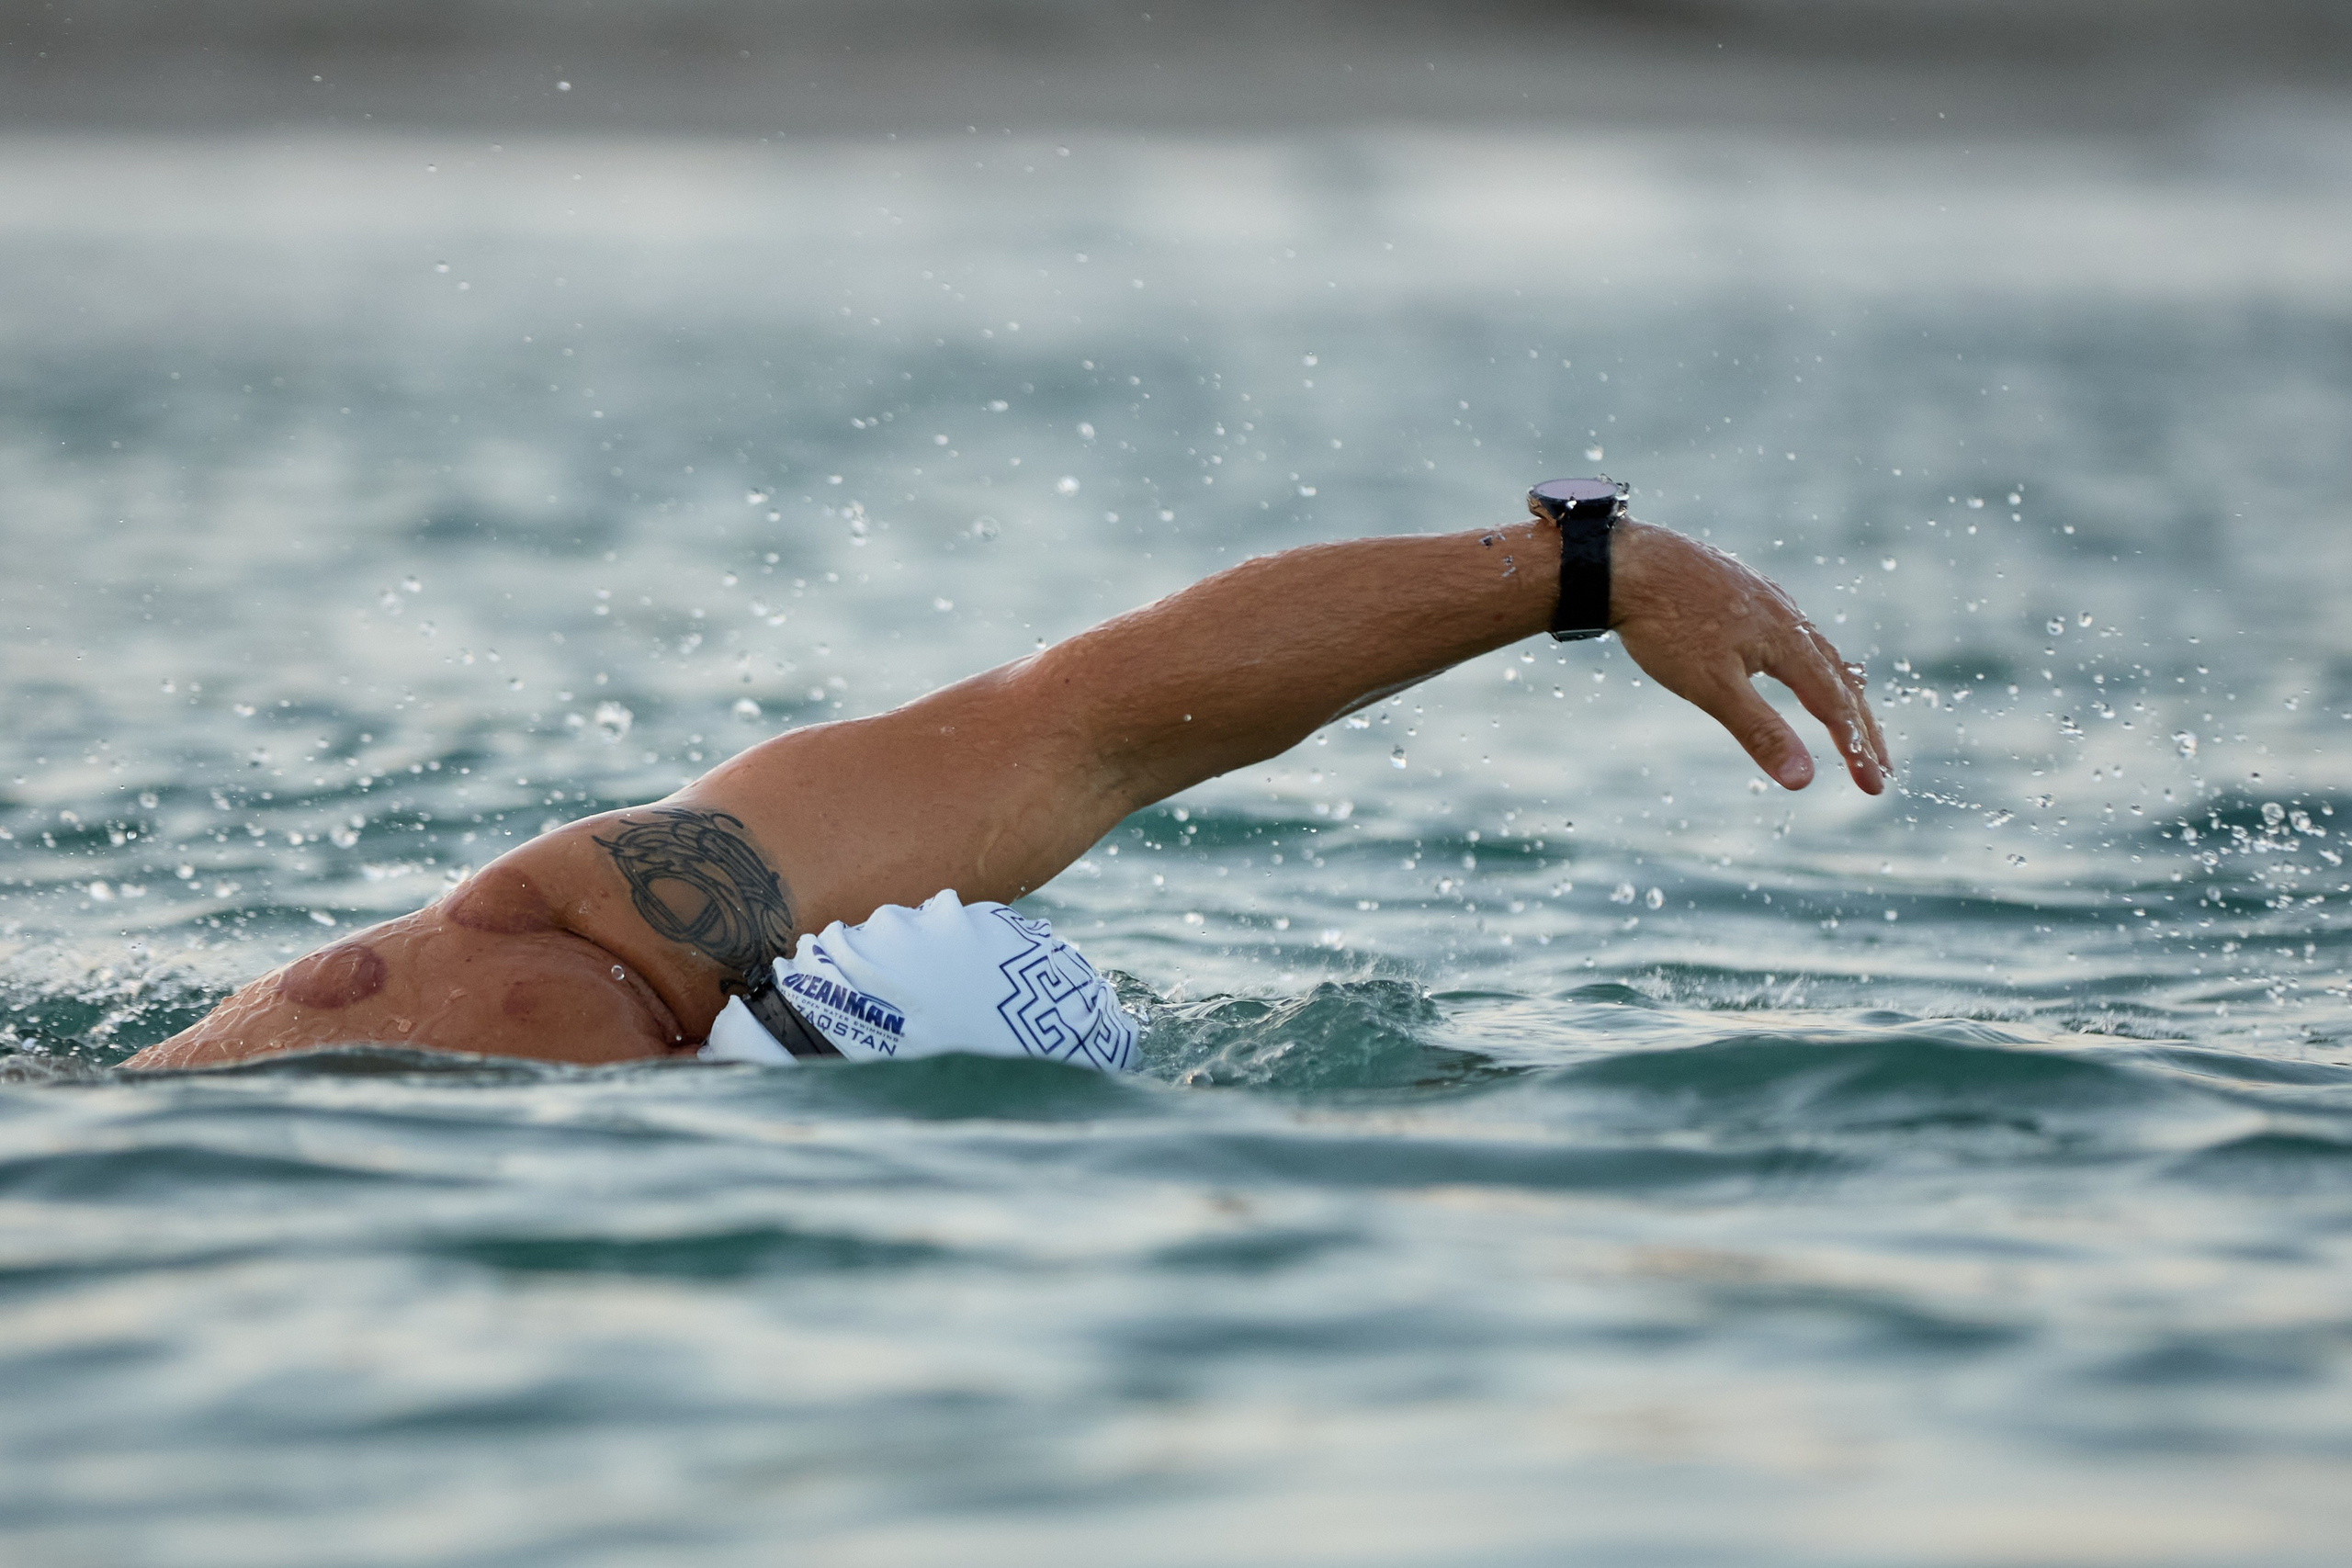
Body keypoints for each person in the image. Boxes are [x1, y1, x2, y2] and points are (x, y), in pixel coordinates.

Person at [123, 489, 1889, 1073]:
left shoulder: (624, 922)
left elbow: (1089, 721)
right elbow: (1096, 720)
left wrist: (1587, 568)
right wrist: (1585, 573)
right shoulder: (603, 979)